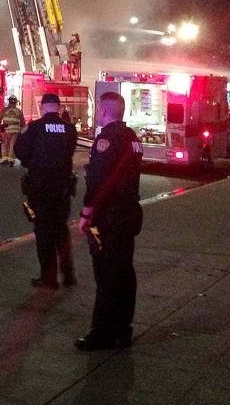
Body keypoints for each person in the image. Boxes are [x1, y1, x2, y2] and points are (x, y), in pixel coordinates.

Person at [76, 91, 144, 351]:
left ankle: (101, 333)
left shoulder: (106, 139)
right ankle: (122, 330)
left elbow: (98, 180)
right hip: (129, 214)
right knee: (125, 272)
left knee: (106, 274)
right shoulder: (132, 138)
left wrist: (86, 213)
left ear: (103, 111)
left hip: (110, 217)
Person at [15, 92, 77, 289]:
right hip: (63, 188)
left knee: (43, 231)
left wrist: (31, 161)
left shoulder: (35, 128)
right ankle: (68, 274)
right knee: (61, 228)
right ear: (58, 108)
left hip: (41, 188)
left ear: (43, 107)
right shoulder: (69, 129)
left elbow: (20, 151)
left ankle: (48, 278)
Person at [0, 95, 26, 167]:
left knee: (5, 145)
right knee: (12, 145)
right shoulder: (18, 111)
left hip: (6, 131)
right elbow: (22, 123)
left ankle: (5, 160)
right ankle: (11, 161)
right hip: (16, 131)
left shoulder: (4, 110)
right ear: (15, 103)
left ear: (9, 102)